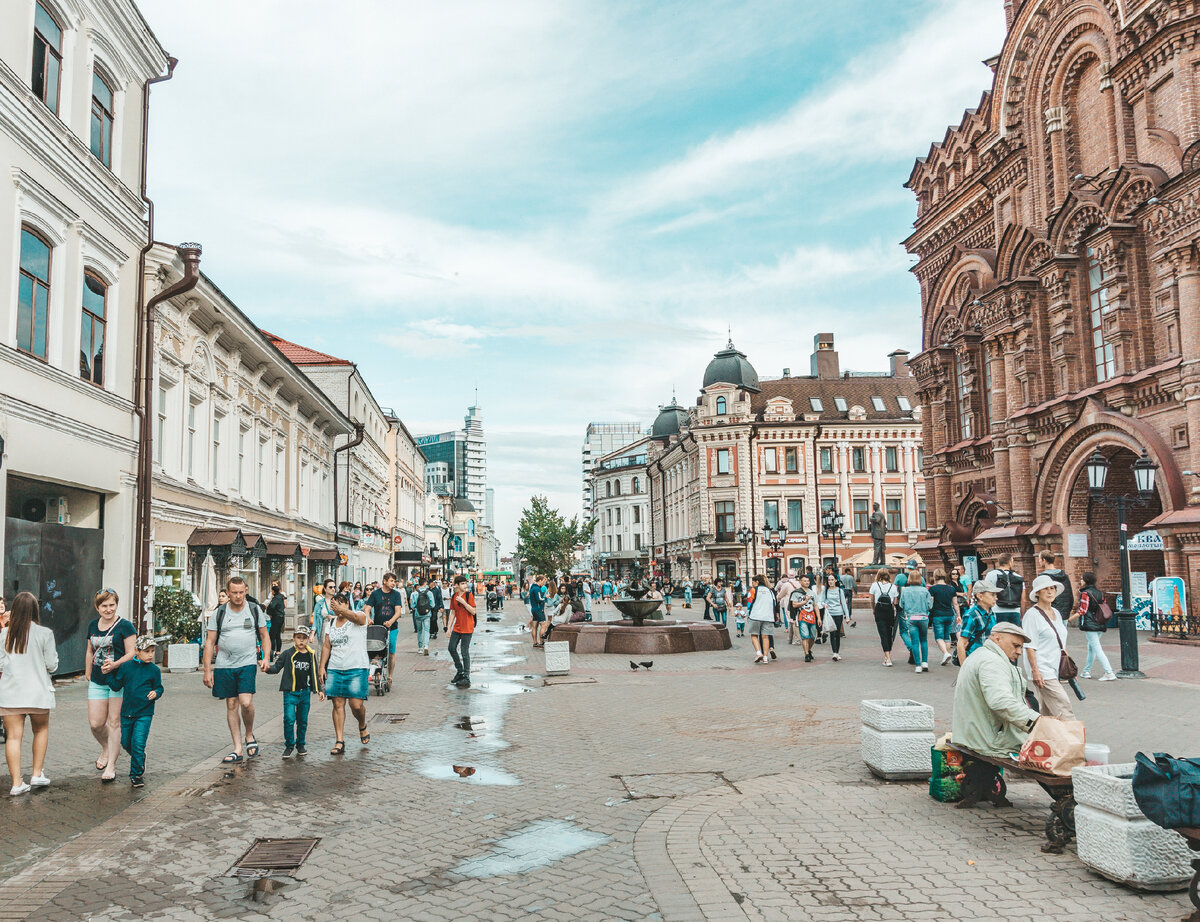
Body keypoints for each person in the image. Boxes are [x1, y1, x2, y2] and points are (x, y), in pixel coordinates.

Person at [951, 621, 1040, 809]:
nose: (1019, 652)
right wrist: (1036, 722)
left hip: (974, 732)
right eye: (1015, 645)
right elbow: (1001, 702)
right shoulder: (993, 663)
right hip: (988, 739)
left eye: (1021, 647)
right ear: (997, 638)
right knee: (1051, 753)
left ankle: (981, 786)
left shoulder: (980, 655)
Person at [202, 577, 271, 763]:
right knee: (231, 704)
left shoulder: (254, 610)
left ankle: (249, 734)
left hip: (247, 663)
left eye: (241, 592)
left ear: (246, 590)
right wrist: (207, 670)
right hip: (224, 665)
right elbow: (210, 642)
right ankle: (237, 747)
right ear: (228, 591)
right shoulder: (220, 613)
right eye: (234, 592)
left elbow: (265, 636)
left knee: (246, 702)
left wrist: (265, 657)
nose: (238, 596)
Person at [0, 592, 57, 796]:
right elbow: (52, 665)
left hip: (10, 694)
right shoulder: (44, 633)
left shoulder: (4, 635)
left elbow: (0, 663)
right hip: (38, 694)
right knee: (40, 730)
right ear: (35, 610)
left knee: (13, 737)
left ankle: (16, 783)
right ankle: (36, 774)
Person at [84, 588, 137, 782]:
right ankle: (106, 747)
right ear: (97, 607)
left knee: (115, 722)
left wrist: (115, 664)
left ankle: (112, 765)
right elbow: (90, 650)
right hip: (98, 680)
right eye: (104, 606)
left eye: (112, 605)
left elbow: (132, 652)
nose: (108, 609)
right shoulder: (92, 625)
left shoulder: (125, 626)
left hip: (118, 681)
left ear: (117, 604)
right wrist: (88, 671)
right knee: (96, 723)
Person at [109, 635, 164, 788]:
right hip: (126, 713)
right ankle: (139, 758)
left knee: (138, 743)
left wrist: (156, 693)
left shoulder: (154, 670)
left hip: (144, 713)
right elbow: (116, 686)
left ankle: (136, 775)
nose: (151, 655)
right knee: (126, 742)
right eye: (147, 651)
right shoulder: (126, 667)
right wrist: (106, 673)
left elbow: (159, 687)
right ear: (137, 651)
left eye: (152, 651)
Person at [319, 590, 369, 754]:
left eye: (340, 603)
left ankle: (362, 724)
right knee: (337, 704)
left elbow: (355, 617)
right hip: (335, 668)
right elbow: (327, 646)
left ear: (347, 604)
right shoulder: (331, 624)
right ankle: (339, 740)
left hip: (356, 667)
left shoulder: (359, 617)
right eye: (334, 605)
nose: (336, 608)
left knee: (356, 705)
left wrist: (342, 610)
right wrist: (322, 667)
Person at [1022, 573, 1075, 719]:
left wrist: (1068, 666)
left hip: (1055, 667)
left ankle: (1045, 739)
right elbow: (1029, 646)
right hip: (1043, 669)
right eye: (1046, 589)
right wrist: (1035, 671)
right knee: (1064, 707)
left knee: (1047, 711)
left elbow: (1061, 644)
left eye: (1052, 588)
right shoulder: (1032, 615)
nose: (1051, 592)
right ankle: (1073, 739)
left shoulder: (1056, 613)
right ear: (1037, 593)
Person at [267, 625, 320, 757]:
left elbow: (314, 673)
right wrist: (266, 668)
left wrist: (319, 689)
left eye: (304, 638)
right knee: (289, 719)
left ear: (308, 639)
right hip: (290, 692)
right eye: (298, 638)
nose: (301, 641)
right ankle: (289, 745)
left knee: (302, 721)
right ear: (294, 638)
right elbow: (276, 668)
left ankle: (300, 744)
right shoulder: (287, 653)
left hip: (304, 693)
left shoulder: (310, 655)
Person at [363, 572, 405, 686]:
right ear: (384, 581)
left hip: (392, 628)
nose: (393, 583)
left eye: (394, 581)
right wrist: (368, 618)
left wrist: (391, 621)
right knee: (376, 650)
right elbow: (367, 608)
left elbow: (398, 612)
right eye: (391, 581)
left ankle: (390, 676)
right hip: (378, 627)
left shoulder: (396, 595)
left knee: (391, 651)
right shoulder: (375, 594)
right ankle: (377, 673)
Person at [958, 578, 999, 663]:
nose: (996, 598)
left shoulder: (992, 613)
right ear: (980, 596)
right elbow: (961, 643)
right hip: (976, 660)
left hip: (991, 659)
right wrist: (964, 668)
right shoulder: (971, 615)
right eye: (992, 595)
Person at [899, 570, 932, 672]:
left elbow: (901, 604)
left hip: (911, 618)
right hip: (923, 617)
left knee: (914, 642)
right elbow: (930, 605)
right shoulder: (925, 590)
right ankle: (925, 662)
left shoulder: (905, 590)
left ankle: (918, 665)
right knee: (924, 640)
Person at [447, 575, 477, 688]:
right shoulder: (454, 596)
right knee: (451, 648)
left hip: (468, 627)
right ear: (457, 585)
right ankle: (460, 671)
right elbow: (453, 613)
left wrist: (464, 602)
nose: (465, 585)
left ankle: (466, 676)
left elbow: (473, 611)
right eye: (463, 584)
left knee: (464, 651)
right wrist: (448, 628)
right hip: (457, 627)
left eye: (466, 583)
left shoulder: (469, 596)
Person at [869, 568, 900, 667]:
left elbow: (872, 600)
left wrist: (873, 609)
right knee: (889, 633)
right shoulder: (893, 587)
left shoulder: (874, 585)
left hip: (879, 610)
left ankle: (888, 658)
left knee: (883, 634)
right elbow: (895, 602)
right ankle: (888, 656)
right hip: (889, 611)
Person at [928, 570, 959, 666]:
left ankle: (945, 653)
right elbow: (955, 603)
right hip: (950, 614)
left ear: (935, 576)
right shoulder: (951, 589)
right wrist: (958, 615)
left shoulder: (933, 589)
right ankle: (946, 656)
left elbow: (931, 603)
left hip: (938, 615)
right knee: (947, 637)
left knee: (939, 637)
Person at [746, 575, 778, 664]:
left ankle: (758, 653)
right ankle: (765, 657)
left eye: (753, 582)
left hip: (755, 616)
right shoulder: (770, 591)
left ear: (757, 582)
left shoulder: (753, 590)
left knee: (754, 635)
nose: (752, 584)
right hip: (768, 617)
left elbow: (749, 602)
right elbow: (775, 604)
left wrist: (748, 612)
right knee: (765, 636)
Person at [986, 553, 1025, 625]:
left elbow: (987, 593)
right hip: (1015, 611)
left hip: (997, 610)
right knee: (1014, 635)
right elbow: (1023, 599)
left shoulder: (991, 575)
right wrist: (1022, 615)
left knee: (999, 634)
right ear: (1010, 562)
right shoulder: (1018, 577)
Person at [818, 572, 849, 662]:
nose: (830, 581)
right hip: (829, 613)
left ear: (836, 580)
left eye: (832, 580)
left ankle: (837, 652)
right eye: (829, 580)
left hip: (838, 613)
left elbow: (843, 603)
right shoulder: (825, 590)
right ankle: (834, 653)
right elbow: (822, 601)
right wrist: (825, 605)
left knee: (837, 633)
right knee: (832, 633)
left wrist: (847, 616)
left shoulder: (840, 590)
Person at [1038, 550, 1075, 622]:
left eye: (1039, 559)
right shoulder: (1064, 576)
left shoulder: (1043, 577)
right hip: (1064, 613)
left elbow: (1041, 597)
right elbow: (1070, 595)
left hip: (1050, 613)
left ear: (1044, 560)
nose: (1039, 561)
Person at [791, 574, 819, 662]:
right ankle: (806, 654)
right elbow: (794, 604)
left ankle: (809, 649)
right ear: (800, 582)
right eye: (804, 581)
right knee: (805, 636)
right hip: (801, 617)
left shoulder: (812, 593)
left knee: (813, 636)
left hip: (812, 617)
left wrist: (819, 618)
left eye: (808, 581)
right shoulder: (796, 593)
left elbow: (815, 605)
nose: (807, 582)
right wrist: (805, 601)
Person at [410, 576, 434, 655]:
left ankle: (420, 648)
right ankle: (426, 646)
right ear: (425, 583)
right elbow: (432, 605)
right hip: (427, 614)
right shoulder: (429, 593)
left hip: (418, 614)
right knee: (427, 630)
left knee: (419, 631)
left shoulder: (415, 593)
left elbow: (412, 605)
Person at [312, 578, 335, 645]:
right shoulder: (320, 603)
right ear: (325, 589)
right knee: (323, 651)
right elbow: (315, 619)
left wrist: (334, 617)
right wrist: (312, 633)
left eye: (334, 587)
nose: (333, 589)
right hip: (323, 630)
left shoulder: (338, 601)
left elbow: (344, 615)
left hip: (336, 629)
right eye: (330, 587)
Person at [266, 583, 286, 655]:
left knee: (272, 635)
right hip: (281, 617)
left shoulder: (275, 598)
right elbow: (283, 606)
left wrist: (269, 613)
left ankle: (272, 651)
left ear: (273, 591)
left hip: (276, 617)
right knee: (278, 635)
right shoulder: (281, 597)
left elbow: (272, 607)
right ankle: (278, 651)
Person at [528, 575, 547, 644]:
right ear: (540, 580)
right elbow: (539, 599)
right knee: (543, 625)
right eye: (543, 582)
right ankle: (542, 642)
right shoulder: (537, 589)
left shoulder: (532, 588)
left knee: (534, 626)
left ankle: (535, 642)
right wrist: (546, 597)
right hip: (539, 609)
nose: (543, 584)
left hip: (533, 608)